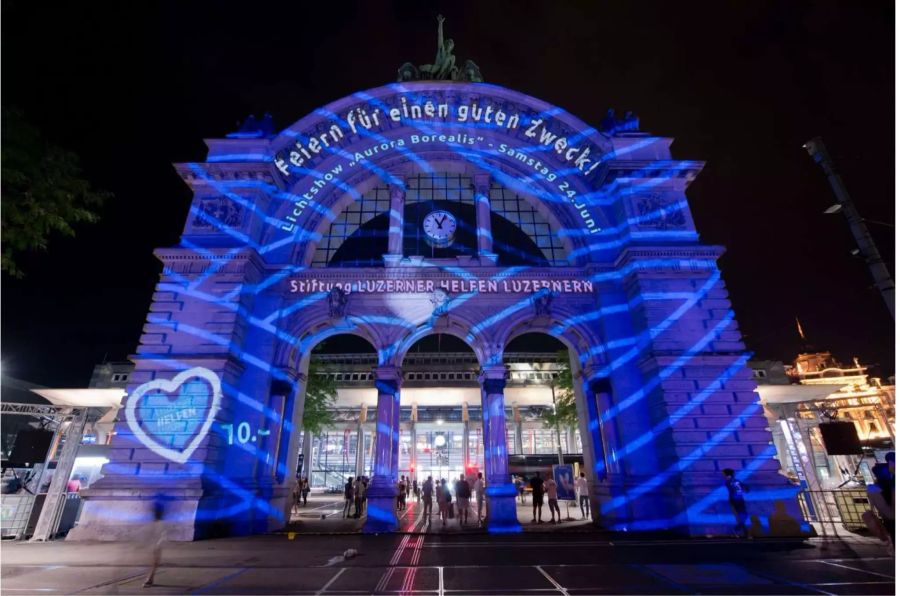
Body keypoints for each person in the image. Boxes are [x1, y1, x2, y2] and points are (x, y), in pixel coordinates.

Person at [142, 496, 167, 588]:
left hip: (154, 546)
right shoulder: (157, 522)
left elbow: (162, 536)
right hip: (153, 546)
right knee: (153, 563)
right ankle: (149, 579)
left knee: (153, 563)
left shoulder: (159, 523)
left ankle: (149, 579)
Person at [722, 468, 749, 538]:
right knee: (741, 516)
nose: (723, 475)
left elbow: (745, 488)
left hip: (738, 500)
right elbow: (739, 488)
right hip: (735, 500)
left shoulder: (734, 481)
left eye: (724, 474)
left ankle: (741, 531)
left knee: (743, 516)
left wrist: (744, 488)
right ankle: (741, 532)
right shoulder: (730, 481)